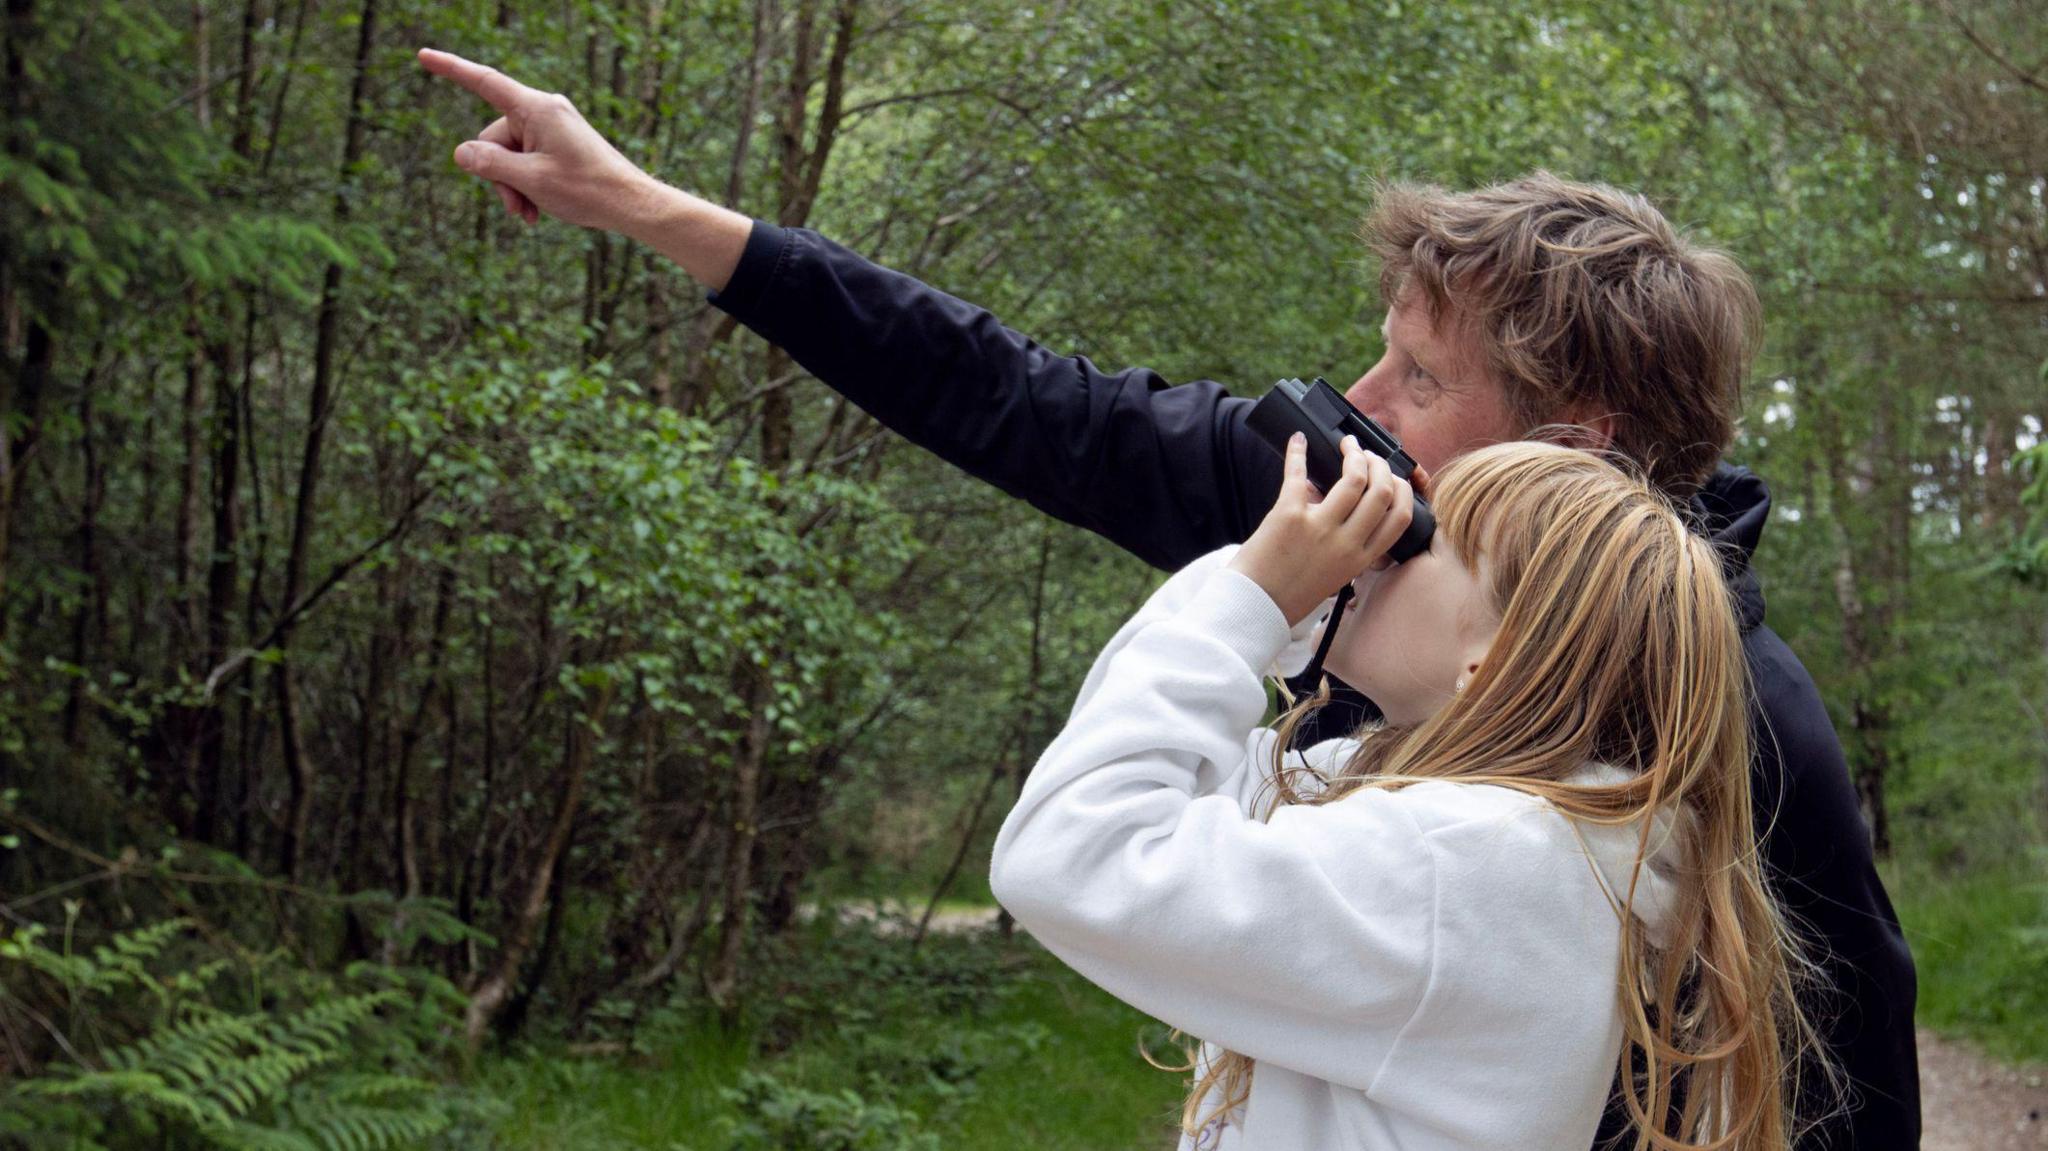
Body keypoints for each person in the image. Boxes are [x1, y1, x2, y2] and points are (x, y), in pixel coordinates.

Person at [415, 48, 1921, 1148]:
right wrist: (650, 208)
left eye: (1419, 375)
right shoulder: (1344, 506)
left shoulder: (1735, 708)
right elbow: (1013, 395)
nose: (1358, 394)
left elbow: (1848, 1053)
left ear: (1572, 444)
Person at [992, 434, 1820, 1148]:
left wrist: (1256, 595)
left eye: (1422, 539)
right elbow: (1183, 780)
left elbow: (1071, 847)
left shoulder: (1465, 865)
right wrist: (1265, 594)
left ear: (1488, 662)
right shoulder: (1512, 843)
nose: (1382, 546)